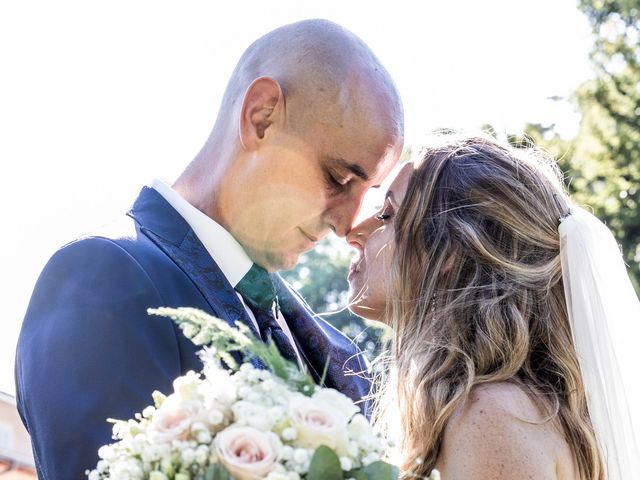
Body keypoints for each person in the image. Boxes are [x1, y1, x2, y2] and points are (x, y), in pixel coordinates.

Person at [16, 19, 404, 479]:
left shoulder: (342, 353)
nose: (347, 223)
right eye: (338, 178)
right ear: (260, 116)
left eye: (370, 193)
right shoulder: (101, 279)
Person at [347, 134, 640, 479]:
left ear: (449, 252)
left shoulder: (492, 415)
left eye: (386, 215)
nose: (354, 233)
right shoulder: (512, 409)